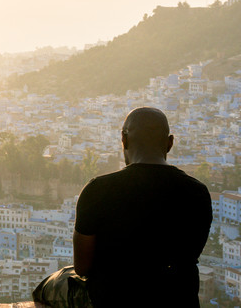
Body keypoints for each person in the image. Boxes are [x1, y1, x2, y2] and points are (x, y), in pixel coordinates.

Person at [72, 107, 212, 307]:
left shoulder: (98, 191)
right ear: (170, 143)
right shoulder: (197, 192)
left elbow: (82, 267)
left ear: (124, 139)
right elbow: (189, 255)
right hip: (178, 299)